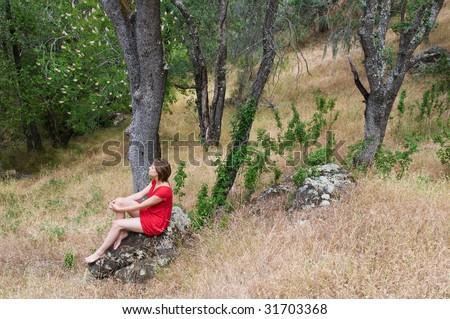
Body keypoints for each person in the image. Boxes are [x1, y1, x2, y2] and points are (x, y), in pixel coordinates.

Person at [84, 158, 172, 263]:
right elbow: (140, 194)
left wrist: (120, 209)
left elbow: (142, 206)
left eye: (152, 167)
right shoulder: (156, 181)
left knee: (116, 224)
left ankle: (100, 253)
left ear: (158, 172)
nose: (149, 167)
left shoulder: (164, 191)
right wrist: (118, 202)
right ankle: (123, 232)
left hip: (155, 222)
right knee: (119, 201)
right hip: (149, 213)